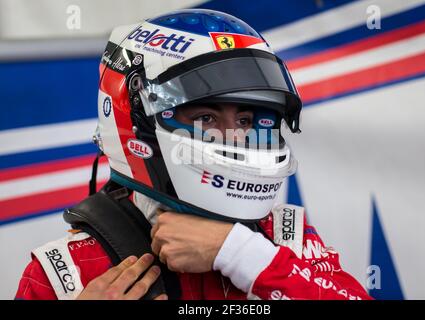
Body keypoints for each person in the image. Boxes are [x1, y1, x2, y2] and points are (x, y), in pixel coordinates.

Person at [15, 9, 372, 300]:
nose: (235, 137)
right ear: (135, 119)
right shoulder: (65, 270)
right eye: (205, 118)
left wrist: (238, 252)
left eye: (246, 119)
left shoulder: (283, 237)